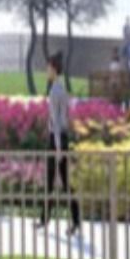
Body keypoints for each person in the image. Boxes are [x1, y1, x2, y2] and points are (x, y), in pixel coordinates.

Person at [38, 52, 82, 235]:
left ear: (54, 69)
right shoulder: (60, 88)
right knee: (58, 181)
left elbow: (56, 120)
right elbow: (65, 116)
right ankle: (46, 219)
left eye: (48, 68)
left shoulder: (55, 91)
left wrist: (57, 147)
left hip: (56, 139)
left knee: (60, 181)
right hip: (60, 138)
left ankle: (69, 220)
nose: (46, 71)